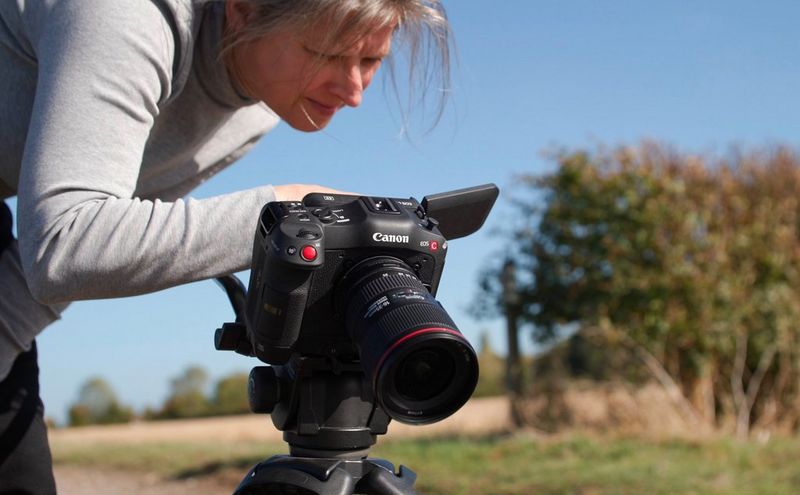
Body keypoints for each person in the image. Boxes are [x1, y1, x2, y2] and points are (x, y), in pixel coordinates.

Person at [0, 0, 452, 492]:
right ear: (243, 10)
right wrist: (284, 215)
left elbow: (96, 248)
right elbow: (67, 240)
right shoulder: (127, 14)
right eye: (325, 53)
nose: (354, 91)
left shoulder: (262, 101)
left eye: (371, 60)